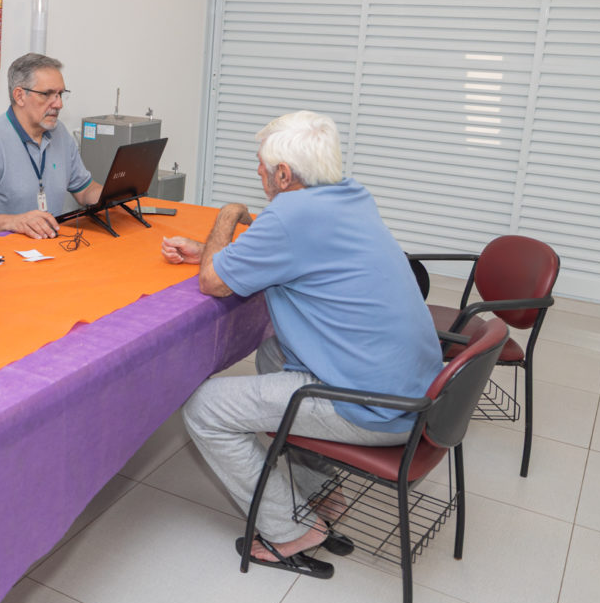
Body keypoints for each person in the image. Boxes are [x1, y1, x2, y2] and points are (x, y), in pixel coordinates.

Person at [161, 111, 440, 575]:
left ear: (284, 175)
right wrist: (215, 251)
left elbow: (213, 282)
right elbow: (294, 248)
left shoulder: (289, 215)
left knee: (203, 409)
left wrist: (227, 215)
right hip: (416, 386)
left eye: (261, 164)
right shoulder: (350, 194)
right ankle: (323, 493)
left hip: (378, 407)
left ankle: (292, 531)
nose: (257, 171)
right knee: (273, 354)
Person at [0, 53, 102, 238]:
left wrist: (117, 195)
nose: (59, 104)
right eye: (47, 94)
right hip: (0, 251)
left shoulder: (60, 133)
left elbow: (85, 190)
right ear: (20, 96)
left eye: (60, 94)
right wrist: (13, 222)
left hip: (47, 246)